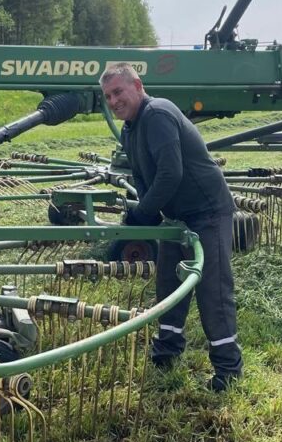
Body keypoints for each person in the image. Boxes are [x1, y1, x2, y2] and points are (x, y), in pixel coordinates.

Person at [100, 62, 242, 391]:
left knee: (212, 289)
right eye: (107, 96)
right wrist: (144, 216)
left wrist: (142, 213)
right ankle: (167, 350)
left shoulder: (157, 114)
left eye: (118, 92)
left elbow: (170, 174)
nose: (113, 101)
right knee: (168, 282)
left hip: (207, 211)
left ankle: (228, 370)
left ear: (138, 86)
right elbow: (142, 178)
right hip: (177, 216)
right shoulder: (130, 129)